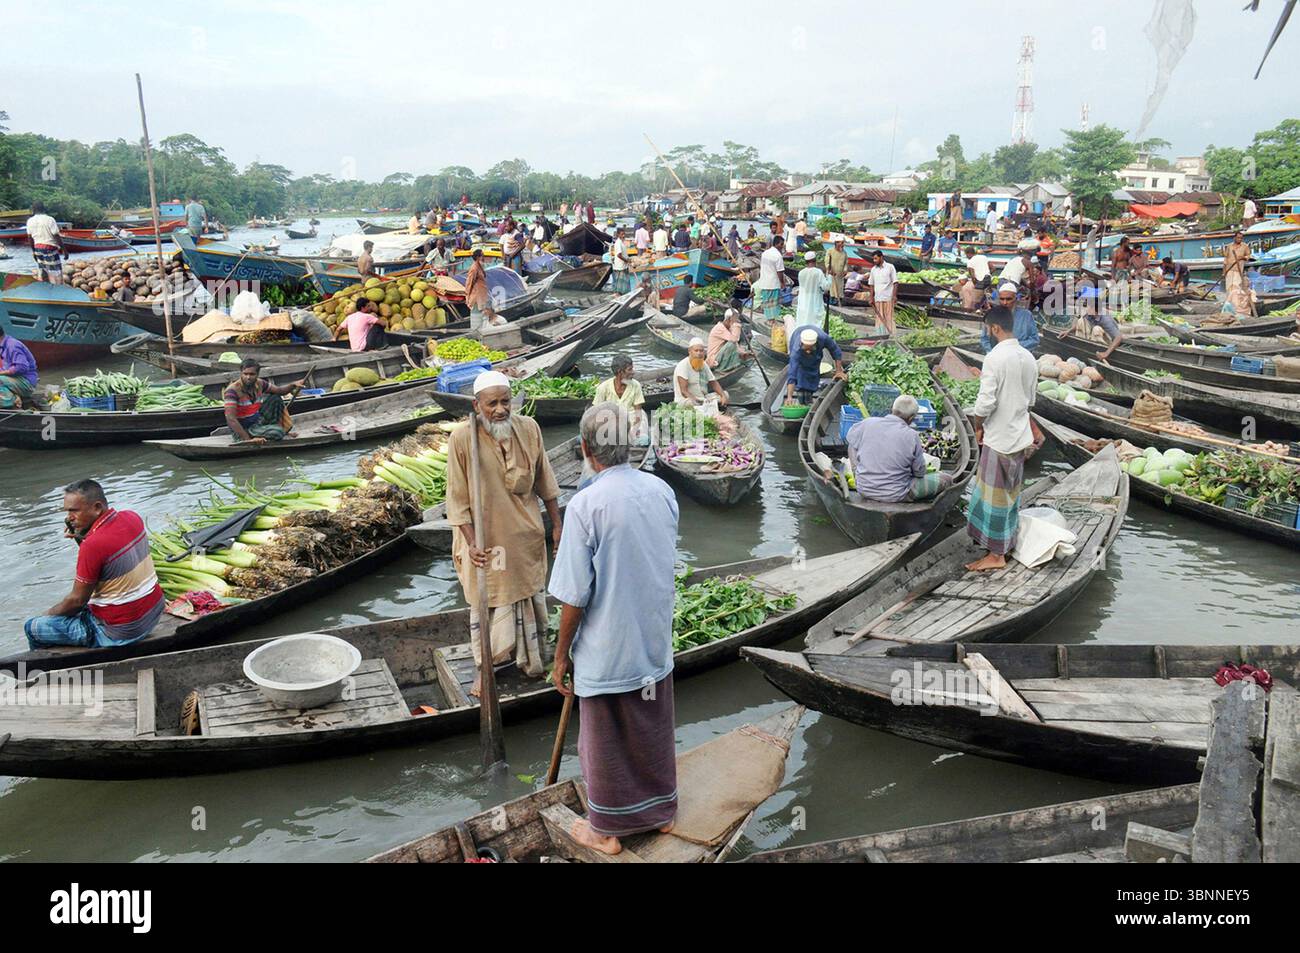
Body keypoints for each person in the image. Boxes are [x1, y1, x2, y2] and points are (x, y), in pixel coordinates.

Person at [548, 401, 680, 855]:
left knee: (602, 739)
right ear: (630, 447)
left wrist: (561, 656)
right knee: (651, 727)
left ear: (586, 449)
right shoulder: (662, 490)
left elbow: (574, 597)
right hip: (653, 641)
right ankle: (661, 814)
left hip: (608, 648)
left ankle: (605, 830)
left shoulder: (585, 505)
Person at [447, 370, 563, 695]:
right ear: (476, 405)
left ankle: (531, 661)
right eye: (491, 404)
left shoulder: (529, 429)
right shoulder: (461, 438)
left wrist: (558, 527)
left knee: (529, 598)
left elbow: (546, 482)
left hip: (524, 537)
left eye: (505, 402)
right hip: (486, 544)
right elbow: (456, 500)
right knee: (487, 603)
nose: (499, 410)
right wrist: (471, 543)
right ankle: (486, 669)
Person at [24, 479, 165, 649]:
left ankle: (46, 668)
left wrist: (48, 614)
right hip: (152, 616)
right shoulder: (131, 517)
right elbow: (104, 560)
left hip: (122, 632)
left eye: (74, 511)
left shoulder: (92, 545)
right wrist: (81, 539)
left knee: (33, 626)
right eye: (67, 511)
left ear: (97, 507)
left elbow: (77, 601)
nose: (69, 518)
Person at [966, 305, 1041, 572]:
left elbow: (984, 404)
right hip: (1019, 436)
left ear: (994, 328)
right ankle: (1002, 544)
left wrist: (978, 426)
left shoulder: (994, 358)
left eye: (988, 328)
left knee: (994, 496)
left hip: (998, 438)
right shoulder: (1029, 358)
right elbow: (1031, 400)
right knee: (1010, 494)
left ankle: (996, 555)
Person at [837, 395, 953, 503]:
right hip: (896, 494)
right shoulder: (912, 435)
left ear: (892, 409)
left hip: (863, 489)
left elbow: (851, 442)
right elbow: (920, 472)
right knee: (946, 479)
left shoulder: (868, 423)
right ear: (912, 417)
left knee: (853, 444)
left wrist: (856, 469)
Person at [223, 359, 305, 443]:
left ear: (257, 374)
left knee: (275, 398)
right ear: (241, 373)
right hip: (243, 428)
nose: (248, 377)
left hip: (256, 421)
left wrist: (293, 385)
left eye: (252, 374)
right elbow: (230, 418)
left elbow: (280, 391)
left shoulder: (260, 383)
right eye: (245, 374)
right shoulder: (232, 391)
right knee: (278, 433)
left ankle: (273, 430)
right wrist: (248, 440)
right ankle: (254, 435)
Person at [593, 354, 648, 442]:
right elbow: (596, 413)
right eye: (630, 369)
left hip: (632, 418)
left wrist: (633, 431)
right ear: (620, 372)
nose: (633, 372)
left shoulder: (636, 385)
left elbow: (638, 413)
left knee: (642, 439)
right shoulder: (603, 387)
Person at [784, 326, 845, 405]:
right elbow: (792, 374)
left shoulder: (823, 338)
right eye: (806, 349)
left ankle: (809, 394)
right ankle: (800, 392)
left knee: (813, 367)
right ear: (801, 344)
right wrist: (789, 397)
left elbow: (836, 351)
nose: (808, 352)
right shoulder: (796, 351)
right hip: (797, 334)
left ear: (815, 344)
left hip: (816, 352)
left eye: (810, 348)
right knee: (800, 369)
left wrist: (839, 371)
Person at [1064, 284, 1124, 360]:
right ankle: (1082, 347)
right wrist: (1068, 331)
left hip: (1108, 343)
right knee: (1081, 321)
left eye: (1088, 306)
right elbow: (1078, 324)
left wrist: (1106, 353)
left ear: (1093, 308)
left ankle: (1099, 352)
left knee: (1096, 328)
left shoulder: (1105, 319)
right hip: (1095, 339)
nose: (1086, 308)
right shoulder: (1090, 315)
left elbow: (1119, 337)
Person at [981, 283, 1040, 353]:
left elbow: (1034, 339)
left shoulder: (1026, 315)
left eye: (1008, 299)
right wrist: (995, 352)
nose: (1005, 302)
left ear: (1015, 298)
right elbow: (984, 339)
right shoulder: (992, 315)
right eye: (1002, 299)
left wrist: (1012, 348)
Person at [674, 337, 729, 406]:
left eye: (701, 351)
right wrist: (696, 400)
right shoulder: (683, 365)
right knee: (691, 403)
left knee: (725, 394)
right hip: (686, 400)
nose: (699, 353)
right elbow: (684, 391)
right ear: (689, 351)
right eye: (696, 351)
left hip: (702, 398)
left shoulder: (703, 364)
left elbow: (713, 382)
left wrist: (723, 396)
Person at [791, 250, 831, 343]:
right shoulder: (818, 272)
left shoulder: (801, 273)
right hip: (814, 300)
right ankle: (813, 340)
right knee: (814, 322)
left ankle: (802, 339)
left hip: (803, 300)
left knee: (803, 319)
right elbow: (826, 287)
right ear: (814, 260)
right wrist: (829, 277)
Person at [25, 201, 66, 285]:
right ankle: (57, 290)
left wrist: (33, 252)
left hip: (38, 249)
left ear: (33, 210)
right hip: (50, 248)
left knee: (43, 272)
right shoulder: (49, 219)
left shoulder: (30, 221)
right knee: (56, 273)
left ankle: (45, 292)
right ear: (44, 209)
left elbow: (30, 238)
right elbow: (56, 236)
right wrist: (64, 250)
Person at [0, 325, 39, 409]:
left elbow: (21, 367)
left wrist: (1, 373)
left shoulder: (12, 345)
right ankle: (15, 396)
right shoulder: (2, 347)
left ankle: (14, 401)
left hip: (25, 382)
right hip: (12, 381)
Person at [755, 235, 788, 330]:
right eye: (781, 244)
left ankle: (769, 319)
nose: (782, 246)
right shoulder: (778, 256)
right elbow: (780, 271)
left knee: (767, 301)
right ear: (777, 244)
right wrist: (782, 283)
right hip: (773, 282)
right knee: (773, 302)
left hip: (764, 281)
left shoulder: (765, 253)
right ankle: (772, 321)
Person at [867, 250, 898, 334]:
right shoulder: (873, 270)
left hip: (888, 297)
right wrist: (871, 298)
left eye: (876, 259)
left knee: (889, 317)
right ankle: (880, 336)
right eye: (873, 259)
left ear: (881, 257)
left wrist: (894, 296)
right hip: (878, 298)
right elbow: (871, 285)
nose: (874, 261)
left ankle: (891, 335)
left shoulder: (890, 267)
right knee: (879, 318)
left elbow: (895, 282)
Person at [463, 248, 493, 330]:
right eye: (482, 256)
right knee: (477, 317)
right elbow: (469, 283)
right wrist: (467, 297)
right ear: (478, 257)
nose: (484, 257)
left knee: (483, 316)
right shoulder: (474, 268)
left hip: (482, 295)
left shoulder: (479, 266)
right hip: (476, 297)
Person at [610, 227, 632, 293]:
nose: (623, 236)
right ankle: (619, 293)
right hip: (620, 266)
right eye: (622, 234)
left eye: (624, 234)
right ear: (618, 235)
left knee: (623, 283)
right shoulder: (618, 243)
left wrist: (627, 259)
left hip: (623, 265)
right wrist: (626, 260)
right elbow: (619, 255)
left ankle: (622, 293)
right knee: (620, 283)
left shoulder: (622, 242)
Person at [826, 236, 849, 302]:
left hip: (840, 275)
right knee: (832, 288)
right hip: (832, 273)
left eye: (843, 243)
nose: (842, 245)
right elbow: (827, 261)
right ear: (836, 243)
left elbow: (846, 263)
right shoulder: (830, 251)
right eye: (840, 243)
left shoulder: (844, 253)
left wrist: (845, 270)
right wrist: (829, 269)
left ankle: (839, 300)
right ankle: (831, 300)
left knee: (840, 288)